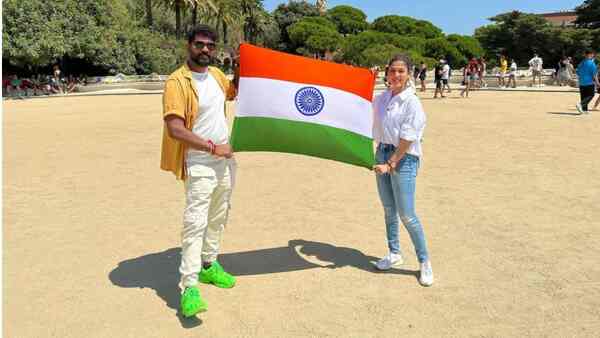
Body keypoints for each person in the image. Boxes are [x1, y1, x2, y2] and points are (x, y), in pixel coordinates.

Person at [160, 24, 239, 318]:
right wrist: (211, 147)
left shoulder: (217, 75)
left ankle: (209, 265)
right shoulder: (176, 81)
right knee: (196, 222)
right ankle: (189, 286)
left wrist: (245, 65)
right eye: (199, 44)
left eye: (210, 45)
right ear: (188, 46)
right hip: (199, 160)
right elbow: (175, 127)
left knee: (219, 217)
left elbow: (235, 92)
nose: (205, 49)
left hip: (225, 160)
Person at [371, 54, 433, 287]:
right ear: (387, 73)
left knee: (407, 213)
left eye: (401, 71)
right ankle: (394, 252)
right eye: (392, 71)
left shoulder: (412, 102)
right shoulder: (383, 98)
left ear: (409, 74)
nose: (396, 75)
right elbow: (360, 107)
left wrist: (391, 163)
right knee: (389, 209)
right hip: (382, 153)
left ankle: (424, 261)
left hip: (403, 158)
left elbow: (408, 137)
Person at [575, 50, 598, 114]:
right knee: (591, 95)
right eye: (592, 55)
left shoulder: (581, 63)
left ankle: (584, 110)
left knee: (583, 96)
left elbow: (577, 71)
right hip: (589, 82)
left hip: (581, 82)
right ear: (590, 55)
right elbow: (594, 75)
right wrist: (598, 83)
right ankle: (580, 104)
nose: (593, 56)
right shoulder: (592, 63)